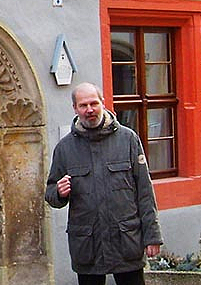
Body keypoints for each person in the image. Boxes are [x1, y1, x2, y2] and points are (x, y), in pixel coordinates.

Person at [45, 82, 162, 285]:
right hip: (88, 244)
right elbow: (50, 193)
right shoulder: (65, 148)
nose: (89, 110)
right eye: (83, 105)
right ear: (75, 108)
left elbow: (145, 192)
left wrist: (152, 236)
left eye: (94, 103)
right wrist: (58, 192)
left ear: (103, 103)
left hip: (126, 240)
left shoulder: (128, 139)